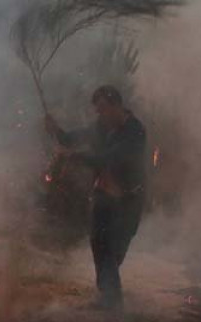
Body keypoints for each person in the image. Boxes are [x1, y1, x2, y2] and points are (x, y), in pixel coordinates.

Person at [45, 85, 146, 310]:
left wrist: (75, 156)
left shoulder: (135, 131)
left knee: (114, 253)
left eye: (103, 109)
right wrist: (55, 131)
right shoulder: (101, 126)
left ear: (117, 106)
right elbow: (71, 138)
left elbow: (109, 158)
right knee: (101, 246)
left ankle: (109, 297)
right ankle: (110, 302)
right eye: (98, 110)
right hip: (103, 197)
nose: (100, 115)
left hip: (128, 201)